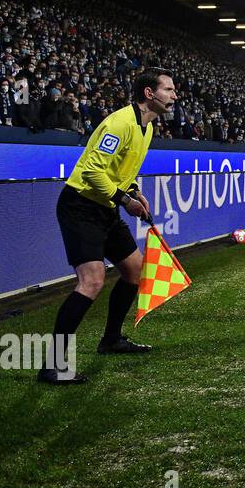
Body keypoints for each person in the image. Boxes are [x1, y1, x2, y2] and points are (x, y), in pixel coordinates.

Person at [39, 68, 176, 384]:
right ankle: (52, 366)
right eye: (168, 89)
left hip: (105, 208)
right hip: (81, 207)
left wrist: (133, 191)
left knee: (134, 270)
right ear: (149, 94)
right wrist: (125, 200)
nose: (174, 95)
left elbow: (119, 173)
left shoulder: (148, 128)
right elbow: (92, 174)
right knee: (92, 281)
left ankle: (111, 339)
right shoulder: (119, 123)